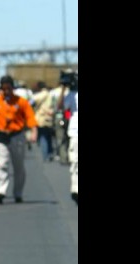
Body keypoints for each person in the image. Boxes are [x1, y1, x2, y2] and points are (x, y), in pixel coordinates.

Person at [0, 74, 37, 204]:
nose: (7, 91)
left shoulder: (21, 102)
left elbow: (30, 117)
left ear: (12, 88)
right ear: (1, 89)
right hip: (2, 136)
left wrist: (33, 131)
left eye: (9, 88)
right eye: (4, 89)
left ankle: (18, 193)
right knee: (2, 164)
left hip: (17, 136)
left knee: (18, 166)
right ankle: (0, 191)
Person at [31, 81, 56, 162]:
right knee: (49, 137)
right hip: (50, 117)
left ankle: (45, 156)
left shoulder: (40, 95)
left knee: (43, 137)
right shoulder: (51, 94)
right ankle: (50, 153)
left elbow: (31, 102)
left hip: (41, 118)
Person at [64, 74, 78, 204]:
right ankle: (76, 189)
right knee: (75, 162)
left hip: (74, 131)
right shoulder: (71, 94)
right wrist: (65, 88)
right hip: (75, 132)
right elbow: (62, 107)